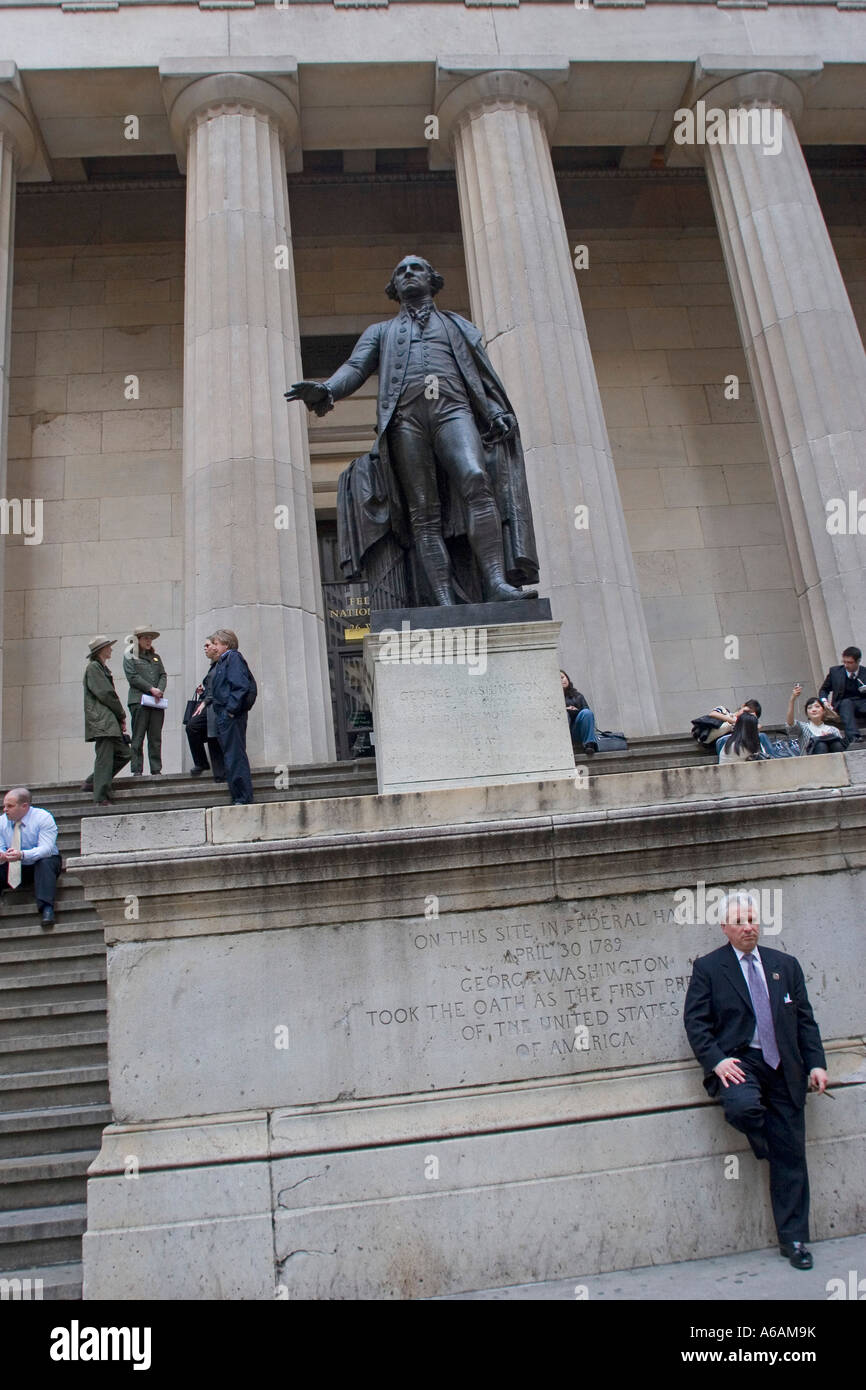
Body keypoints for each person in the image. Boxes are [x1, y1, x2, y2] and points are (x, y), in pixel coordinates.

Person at [286, 254, 539, 607]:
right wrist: (327, 390)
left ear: (432, 279)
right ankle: (443, 600)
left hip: (453, 411)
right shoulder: (381, 332)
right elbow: (356, 366)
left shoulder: (457, 326)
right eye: (400, 272)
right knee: (423, 510)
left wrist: (495, 410)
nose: (407, 274)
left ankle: (496, 581)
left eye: (415, 269)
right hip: (406, 420)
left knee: (476, 478)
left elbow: (481, 375)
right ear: (394, 288)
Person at [684, 892, 828, 1270]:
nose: (749, 927)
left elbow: (805, 1021)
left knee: (792, 1158)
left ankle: (794, 1239)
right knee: (744, 1108)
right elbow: (696, 1023)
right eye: (740, 922)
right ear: (725, 928)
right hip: (741, 1062)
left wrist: (816, 1065)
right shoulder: (709, 968)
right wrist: (716, 1061)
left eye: (753, 919)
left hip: (786, 1068)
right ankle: (770, 1144)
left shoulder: (786, 965)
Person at [0, 787, 62, 927]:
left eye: (10, 806)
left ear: (24, 806)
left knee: (45, 862)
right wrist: (2, 855)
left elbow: (46, 849)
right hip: (12, 866)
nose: (5, 810)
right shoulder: (1, 822)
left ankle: (47, 909)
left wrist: (22, 855)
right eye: (4, 806)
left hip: (40, 864)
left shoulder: (43, 817)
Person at [207, 629, 256, 805]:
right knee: (231, 755)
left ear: (226, 644)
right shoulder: (223, 661)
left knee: (235, 755)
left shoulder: (233, 658)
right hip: (226, 715)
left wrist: (230, 711)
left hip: (231, 716)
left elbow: (240, 686)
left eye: (217, 643)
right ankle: (239, 795)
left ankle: (242, 796)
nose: (214, 647)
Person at [83, 636, 131, 804]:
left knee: (125, 754)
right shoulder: (94, 668)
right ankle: (101, 796)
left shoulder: (100, 668)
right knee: (105, 758)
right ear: (101, 650)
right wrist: (121, 713)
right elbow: (106, 694)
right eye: (108, 647)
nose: (111, 649)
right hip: (103, 721)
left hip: (108, 721)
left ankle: (93, 781)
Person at [123, 625, 167, 778]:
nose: (149, 641)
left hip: (155, 702)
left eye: (150, 638)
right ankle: (137, 769)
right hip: (139, 701)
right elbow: (132, 677)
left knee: (155, 737)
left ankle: (156, 768)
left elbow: (163, 675)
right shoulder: (130, 655)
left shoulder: (156, 657)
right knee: (138, 736)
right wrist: (151, 689)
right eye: (145, 638)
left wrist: (160, 690)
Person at [184, 637, 225, 782]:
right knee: (210, 737)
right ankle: (211, 770)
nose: (205, 648)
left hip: (214, 707)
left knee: (196, 729)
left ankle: (209, 768)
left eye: (207, 645)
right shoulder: (214, 666)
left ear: (216, 647)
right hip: (210, 707)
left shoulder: (221, 664)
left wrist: (206, 701)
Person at [818, 646, 866, 748]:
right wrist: (825, 701)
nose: (846, 665)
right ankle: (854, 737)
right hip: (843, 703)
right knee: (846, 703)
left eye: (850, 662)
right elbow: (824, 690)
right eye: (844, 662)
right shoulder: (835, 672)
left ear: (858, 662)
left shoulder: (864, 672)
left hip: (862, 702)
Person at [785, 685, 847, 755]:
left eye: (817, 707)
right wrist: (792, 699)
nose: (813, 710)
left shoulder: (834, 730)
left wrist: (830, 738)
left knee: (836, 744)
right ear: (807, 713)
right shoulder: (803, 728)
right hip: (811, 763)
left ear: (823, 711)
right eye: (810, 708)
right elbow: (790, 723)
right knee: (821, 745)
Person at [560, 669, 598, 755]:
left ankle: (589, 744)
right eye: (559, 679)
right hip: (563, 733)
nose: (562, 680)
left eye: (563, 677)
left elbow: (587, 714)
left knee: (586, 712)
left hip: (577, 730)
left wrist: (576, 711)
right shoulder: (551, 698)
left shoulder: (577, 696)